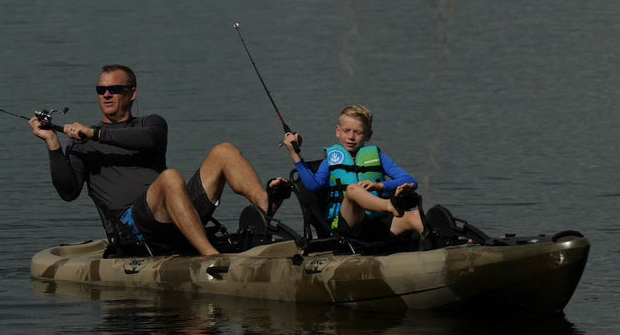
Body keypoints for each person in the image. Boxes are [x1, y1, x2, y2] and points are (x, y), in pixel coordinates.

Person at [30, 64, 288, 256]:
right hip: (134, 226)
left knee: (224, 150)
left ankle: (265, 210)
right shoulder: (80, 144)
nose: (106, 95)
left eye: (114, 89)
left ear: (132, 94)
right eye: (101, 90)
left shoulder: (151, 124)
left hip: (177, 211)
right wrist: (53, 144)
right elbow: (68, 191)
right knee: (170, 178)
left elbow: (148, 139)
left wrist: (95, 133)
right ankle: (211, 257)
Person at [282, 104, 423, 240]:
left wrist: (379, 186)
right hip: (348, 225)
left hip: (379, 221)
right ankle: (389, 205)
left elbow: (410, 181)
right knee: (353, 190)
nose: (351, 137)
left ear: (368, 135)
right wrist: (294, 153)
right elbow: (313, 186)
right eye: (346, 130)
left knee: (415, 216)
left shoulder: (378, 157)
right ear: (338, 131)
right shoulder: (331, 160)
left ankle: (437, 250)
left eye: (358, 132)